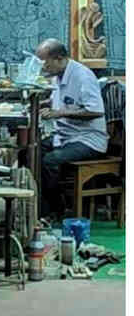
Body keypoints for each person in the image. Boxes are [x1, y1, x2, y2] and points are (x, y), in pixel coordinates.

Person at [36, 38, 108, 219]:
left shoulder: (82, 76)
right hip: (66, 136)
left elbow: (96, 111)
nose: (44, 68)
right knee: (32, 152)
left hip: (88, 139)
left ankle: (56, 210)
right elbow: (62, 100)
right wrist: (44, 104)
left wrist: (60, 113)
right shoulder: (59, 75)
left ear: (59, 58)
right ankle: (39, 209)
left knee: (50, 160)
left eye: (45, 63)